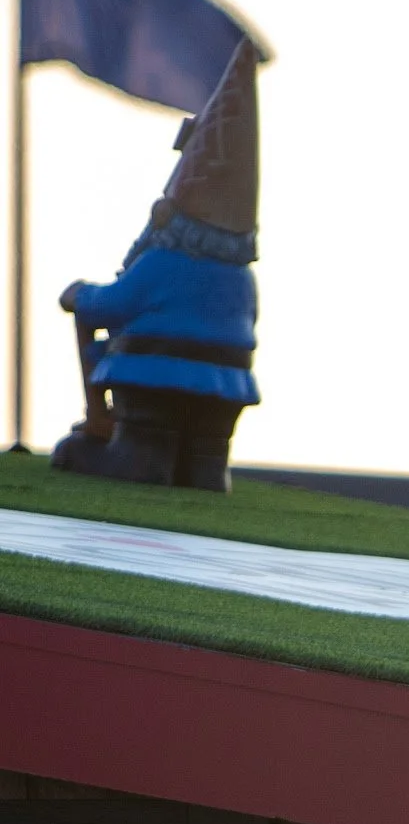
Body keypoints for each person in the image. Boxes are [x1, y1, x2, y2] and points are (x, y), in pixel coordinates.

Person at [51, 37, 259, 492]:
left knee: (146, 447)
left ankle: (132, 456)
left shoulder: (164, 261)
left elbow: (113, 304)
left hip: (155, 378)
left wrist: (81, 294)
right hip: (226, 385)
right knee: (206, 450)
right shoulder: (242, 279)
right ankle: (204, 471)